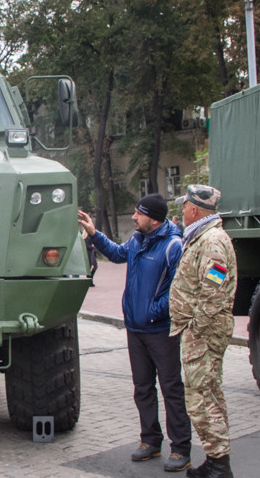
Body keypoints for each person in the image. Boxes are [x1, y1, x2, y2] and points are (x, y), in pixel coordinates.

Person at [79, 194, 192, 472]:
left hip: (160, 330)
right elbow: (118, 254)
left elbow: (178, 291)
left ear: (153, 218)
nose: (133, 217)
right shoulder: (138, 240)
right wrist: (94, 234)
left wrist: (153, 312)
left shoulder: (173, 246)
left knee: (171, 389)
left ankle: (181, 448)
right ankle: (150, 441)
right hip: (135, 329)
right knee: (142, 388)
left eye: (138, 213)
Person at [169, 184, 238, 478]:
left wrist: (196, 327)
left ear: (194, 210)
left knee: (202, 398)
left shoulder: (211, 241)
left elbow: (214, 289)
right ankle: (216, 460)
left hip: (204, 333)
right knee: (206, 394)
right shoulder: (202, 237)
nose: (182, 210)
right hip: (202, 331)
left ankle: (219, 465)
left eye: (185, 206)